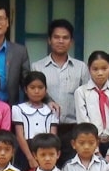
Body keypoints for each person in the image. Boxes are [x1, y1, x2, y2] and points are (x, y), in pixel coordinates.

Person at [30, 19, 89, 163]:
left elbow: (88, 97)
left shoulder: (81, 67)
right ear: (49, 40)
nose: (60, 41)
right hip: (46, 129)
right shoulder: (37, 67)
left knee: (72, 170)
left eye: (65, 37)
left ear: (71, 41)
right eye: (56, 37)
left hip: (73, 129)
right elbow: (34, 94)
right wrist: (49, 101)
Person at [74, 51, 109, 157]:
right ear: (89, 69)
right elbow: (83, 122)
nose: (100, 73)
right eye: (95, 69)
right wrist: (95, 150)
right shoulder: (81, 92)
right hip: (90, 145)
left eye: (104, 68)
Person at [12, 71, 58, 171]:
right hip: (25, 151)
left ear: (46, 90)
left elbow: (53, 136)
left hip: (46, 149)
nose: (36, 91)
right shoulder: (18, 109)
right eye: (32, 88)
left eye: (40, 87)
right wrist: (30, 157)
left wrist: (47, 155)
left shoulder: (52, 110)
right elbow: (20, 135)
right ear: (25, 90)